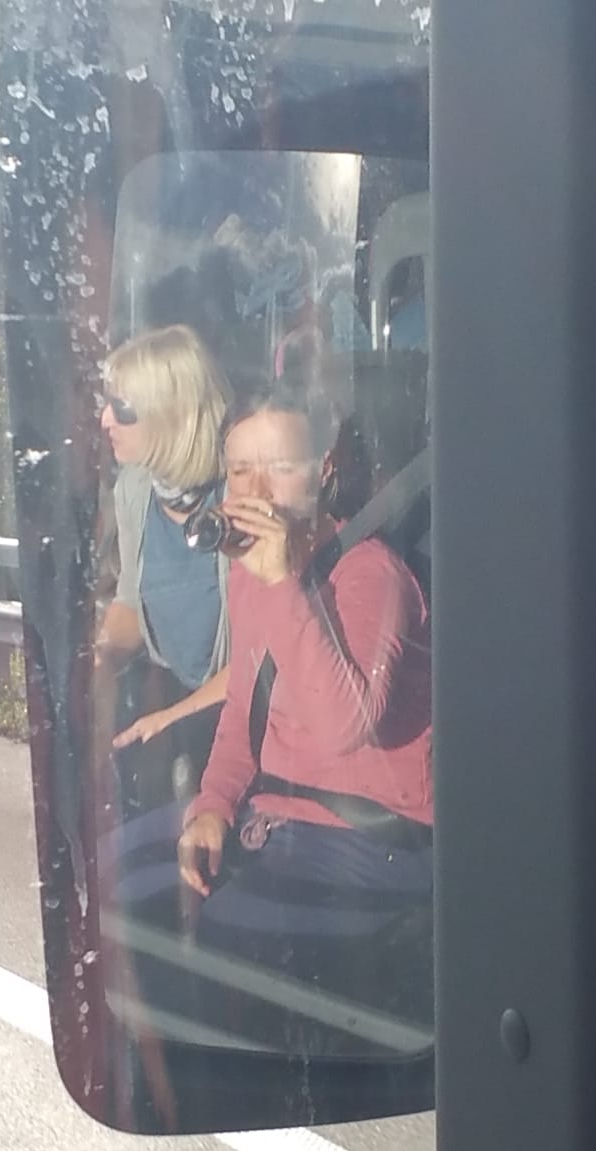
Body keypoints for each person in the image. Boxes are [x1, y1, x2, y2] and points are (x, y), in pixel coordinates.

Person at [174, 379, 433, 1055]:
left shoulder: (369, 574)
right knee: (124, 882)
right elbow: (246, 708)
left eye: (280, 467)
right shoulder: (251, 572)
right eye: (240, 471)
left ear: (323, 470)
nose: (256, 490)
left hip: (373, 837)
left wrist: (281, 583)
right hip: (282, 818)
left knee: (214, 953)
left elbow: (344, 726)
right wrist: (212, 806)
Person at [95, 323, 234, 805]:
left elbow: (264, 653)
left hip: (250, 720)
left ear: (171, 414)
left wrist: (171, 719)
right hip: (183, 715)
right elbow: (134, 601)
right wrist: (97, 659)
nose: (104, 420)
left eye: (121, 409)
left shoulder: (240, 494)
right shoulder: (134, 490)